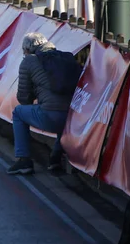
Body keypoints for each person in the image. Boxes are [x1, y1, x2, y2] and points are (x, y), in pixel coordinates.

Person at [7, 32, 81, 175]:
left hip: (49, 117)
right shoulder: (64, 58)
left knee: (18, 112)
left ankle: (24, 160)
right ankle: (55, 158)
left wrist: (36, 95)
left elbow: (24, 98)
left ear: (27, 49)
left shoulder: (29, 61)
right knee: (63, 110)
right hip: (73, 119)